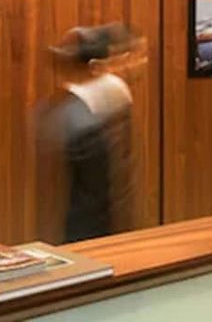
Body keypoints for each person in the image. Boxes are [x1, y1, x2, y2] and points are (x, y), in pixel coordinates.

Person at [38, 23, 147, 243]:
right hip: (88, 218)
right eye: (131, 57)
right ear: (96, 65)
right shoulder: (77, 107)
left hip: (102, 212)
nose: (139, 63)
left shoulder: (110, 91)